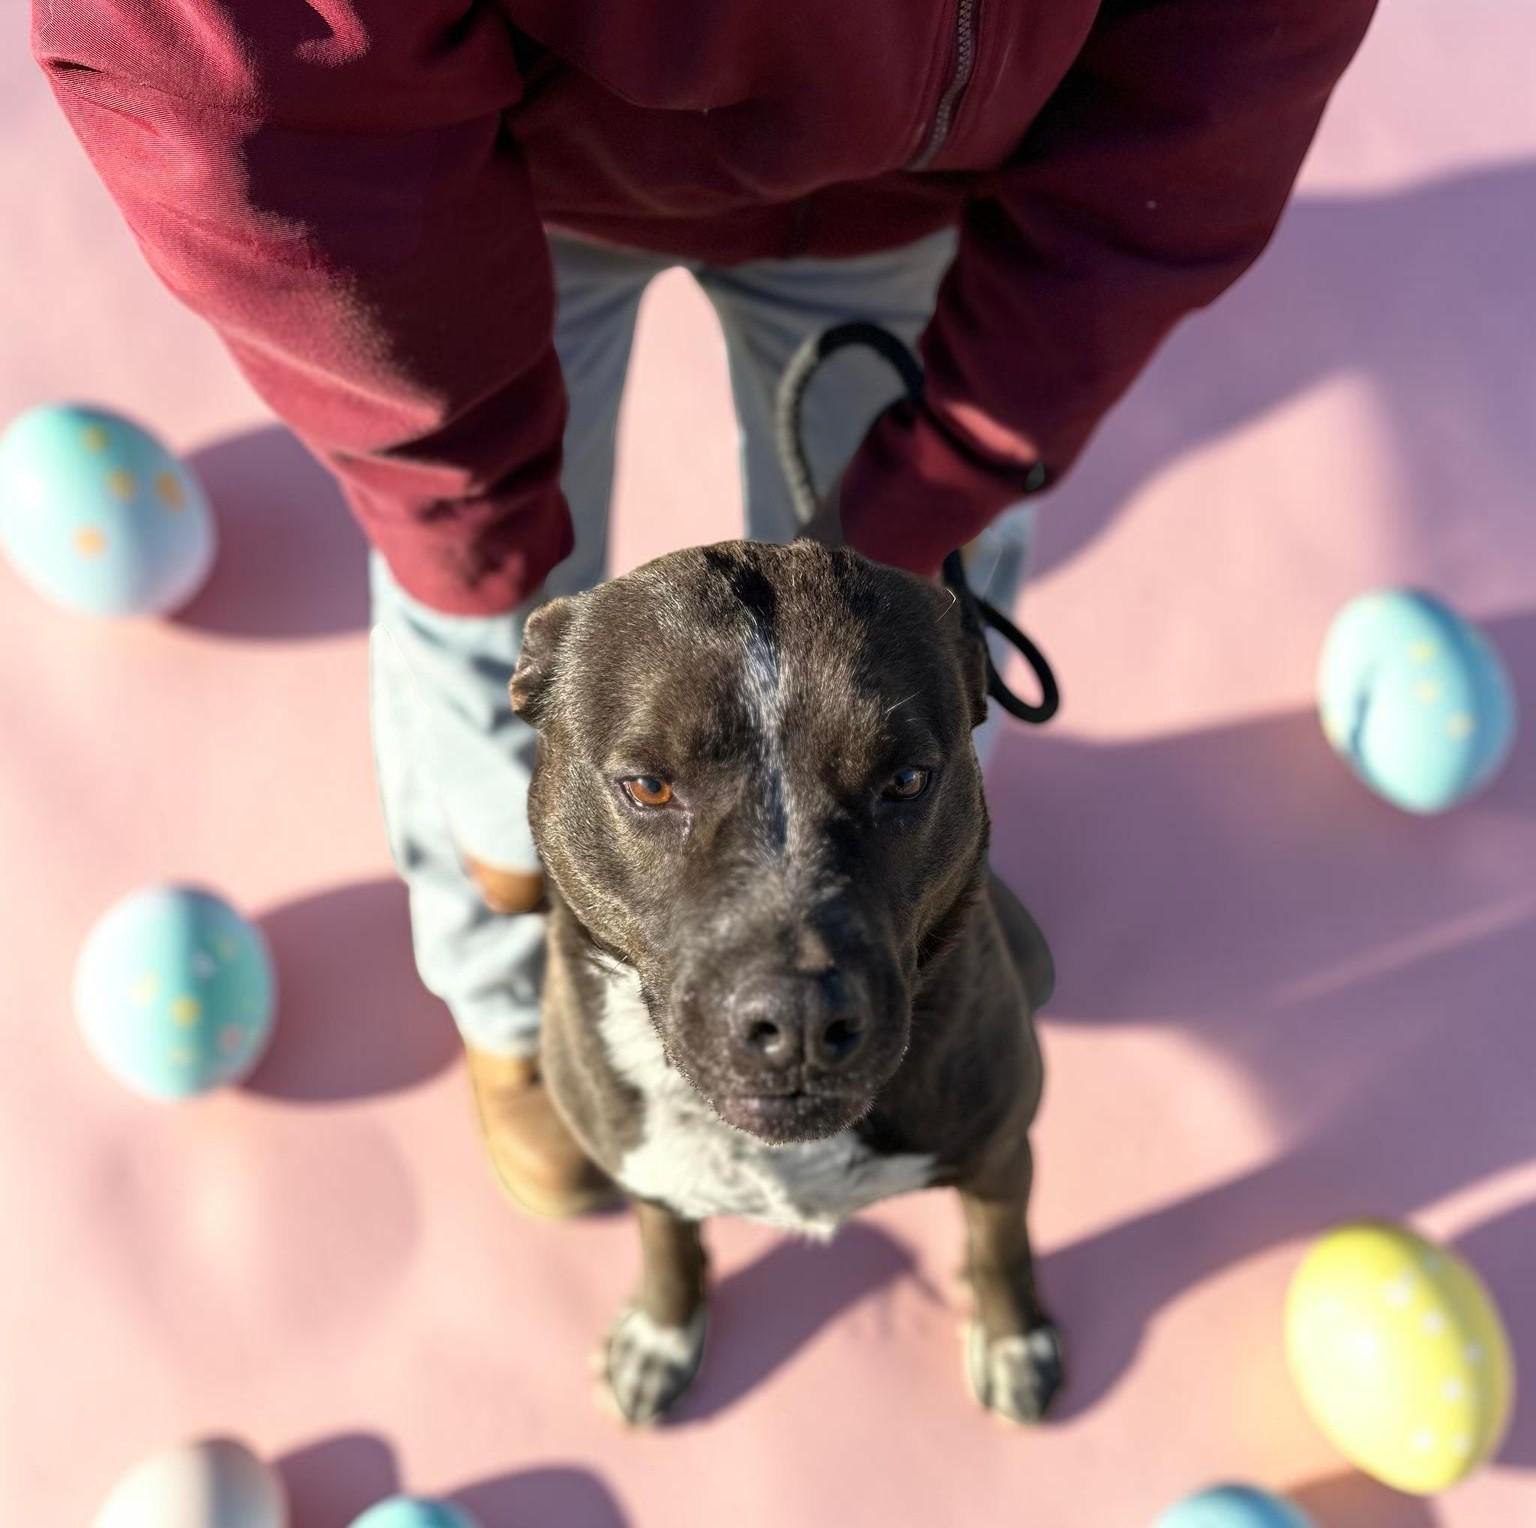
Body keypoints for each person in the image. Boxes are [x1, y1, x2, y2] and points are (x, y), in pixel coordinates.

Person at [34, 0, 1376, 1216]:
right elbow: (239, 63)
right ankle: (512, 1011)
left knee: (897, 657)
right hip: (469, 173)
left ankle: (920, 921)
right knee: (479, 618)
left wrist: (946, 474)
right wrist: (469, 518)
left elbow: (1237, 53)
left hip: (927, 172)